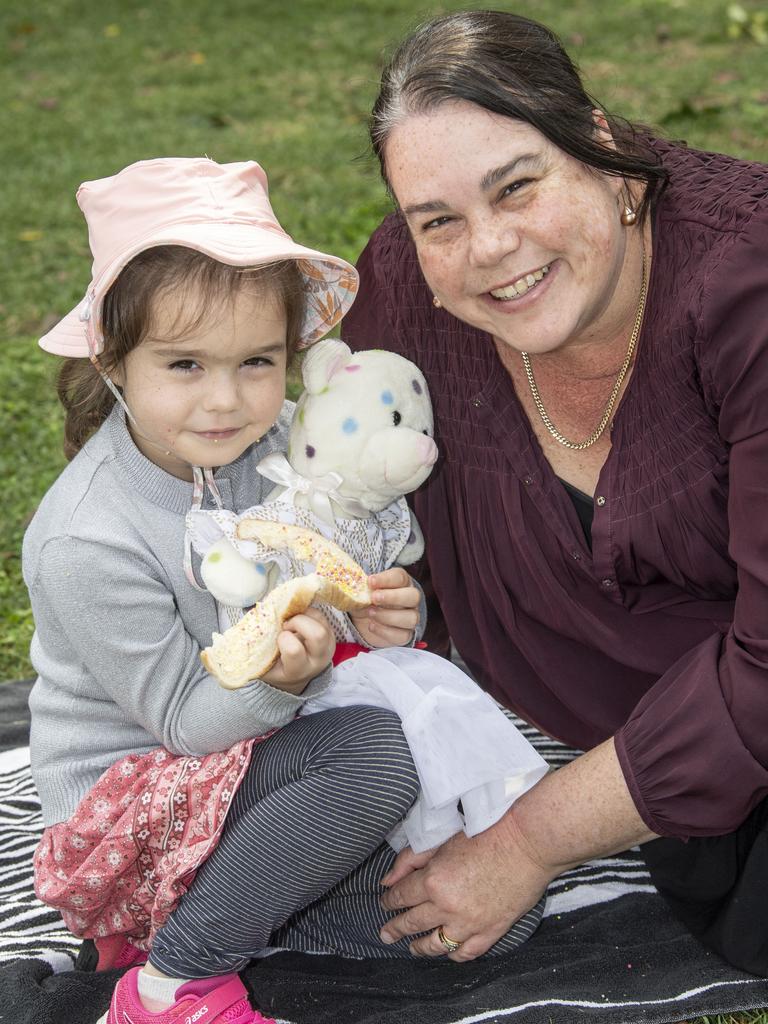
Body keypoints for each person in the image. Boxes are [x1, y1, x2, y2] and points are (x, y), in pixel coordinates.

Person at [23, 157, 543, 1024]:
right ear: (113, 357)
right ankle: (171, 981)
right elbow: (188, 726)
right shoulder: (88, 539)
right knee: (377, 753)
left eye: (257, 362)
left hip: (261, 783)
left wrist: (381, 614)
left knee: (487, 913)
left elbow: (322, 579)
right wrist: (285, 680)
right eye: (185, 365)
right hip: (136, 814)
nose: (227, 402)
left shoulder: (277, 458)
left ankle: (238, 904)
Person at [340, 9, 768, 976]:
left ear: (605, 156)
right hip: (622, 734)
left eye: (518, 187)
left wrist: (525, 844)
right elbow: (352, 498)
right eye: (438, 219)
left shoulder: (745, 286)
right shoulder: (407, 291)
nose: (488, 247)